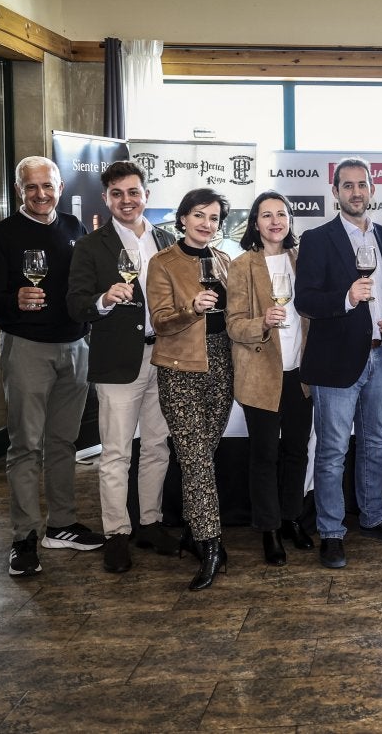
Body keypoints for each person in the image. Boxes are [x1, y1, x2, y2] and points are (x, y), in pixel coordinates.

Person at [0, 156, 101, 579]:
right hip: (27, 347)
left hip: (75, 346)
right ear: (18, 190)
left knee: (64, 442)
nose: (41, 194)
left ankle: (62, 524)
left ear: (60, 187)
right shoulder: (1, 235)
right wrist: (15, 298)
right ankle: (24, 536)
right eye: (31, 187)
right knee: (26, 445)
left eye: (47, 186)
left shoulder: (75, 228)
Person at [296, 158, 382, 570]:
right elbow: (305, 300)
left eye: (362, 185)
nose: (356, 192)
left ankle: (373, 517)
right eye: (348, 186)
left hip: (380, 354)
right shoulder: (317, 239)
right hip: (335, 363)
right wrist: (346, 297)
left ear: (373, 190)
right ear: (335, 192)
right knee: (331, 451)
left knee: (375, 443)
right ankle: (331, 532)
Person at [67, 160, 178, 573]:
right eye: (117, 194)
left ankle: (149, 522)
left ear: (146, 195)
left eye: (133, 192)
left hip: (165, 356)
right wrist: (103, 299)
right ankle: (117, 532)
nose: (126, 200)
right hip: (117, 362)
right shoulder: (90, 246)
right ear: (106, 198)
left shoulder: (167, 240)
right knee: (115, 453)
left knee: (156, 446)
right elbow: (75, 305)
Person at [147, 188, 234, 590]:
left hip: (222, 364)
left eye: (214, 217)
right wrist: (192, 308)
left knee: (203, 454)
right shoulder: (162, 262)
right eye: (198, 215)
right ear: (182, 218)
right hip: (180, 367)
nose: (206, 223)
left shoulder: (224, 260)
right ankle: (211, 544)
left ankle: (190, 530)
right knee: (196, 458)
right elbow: (161, 322)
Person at [226, 191, 312, 567]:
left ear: (290, 220)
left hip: (301, 374)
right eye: (266, 215)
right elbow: (233, 324)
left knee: (297, 451)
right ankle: (269, 529)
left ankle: (292, 517)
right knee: (265, 456)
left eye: (282, 214)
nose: (275, 221)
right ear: (255, 223)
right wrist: (261, 322)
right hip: (261, 375)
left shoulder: (302, 259)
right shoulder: (242, 265)